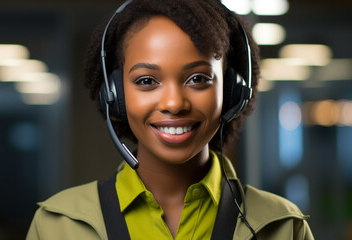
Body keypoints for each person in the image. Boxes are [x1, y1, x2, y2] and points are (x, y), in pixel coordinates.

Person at [27, 0, 314, 239]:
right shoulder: (58, 225)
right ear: (114, 94)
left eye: (198, 78)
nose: (174, 103)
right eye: (147, 80)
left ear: (232, 92)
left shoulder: (283, 226)